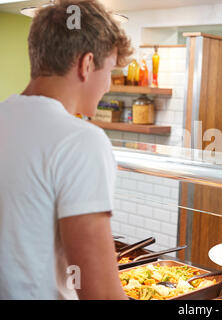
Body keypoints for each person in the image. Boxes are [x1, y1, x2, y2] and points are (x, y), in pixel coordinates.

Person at [0, 0, 133, 299]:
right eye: (110, 69)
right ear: (86, 65)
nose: (109, 85)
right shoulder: (81, 141)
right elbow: (100, 293)